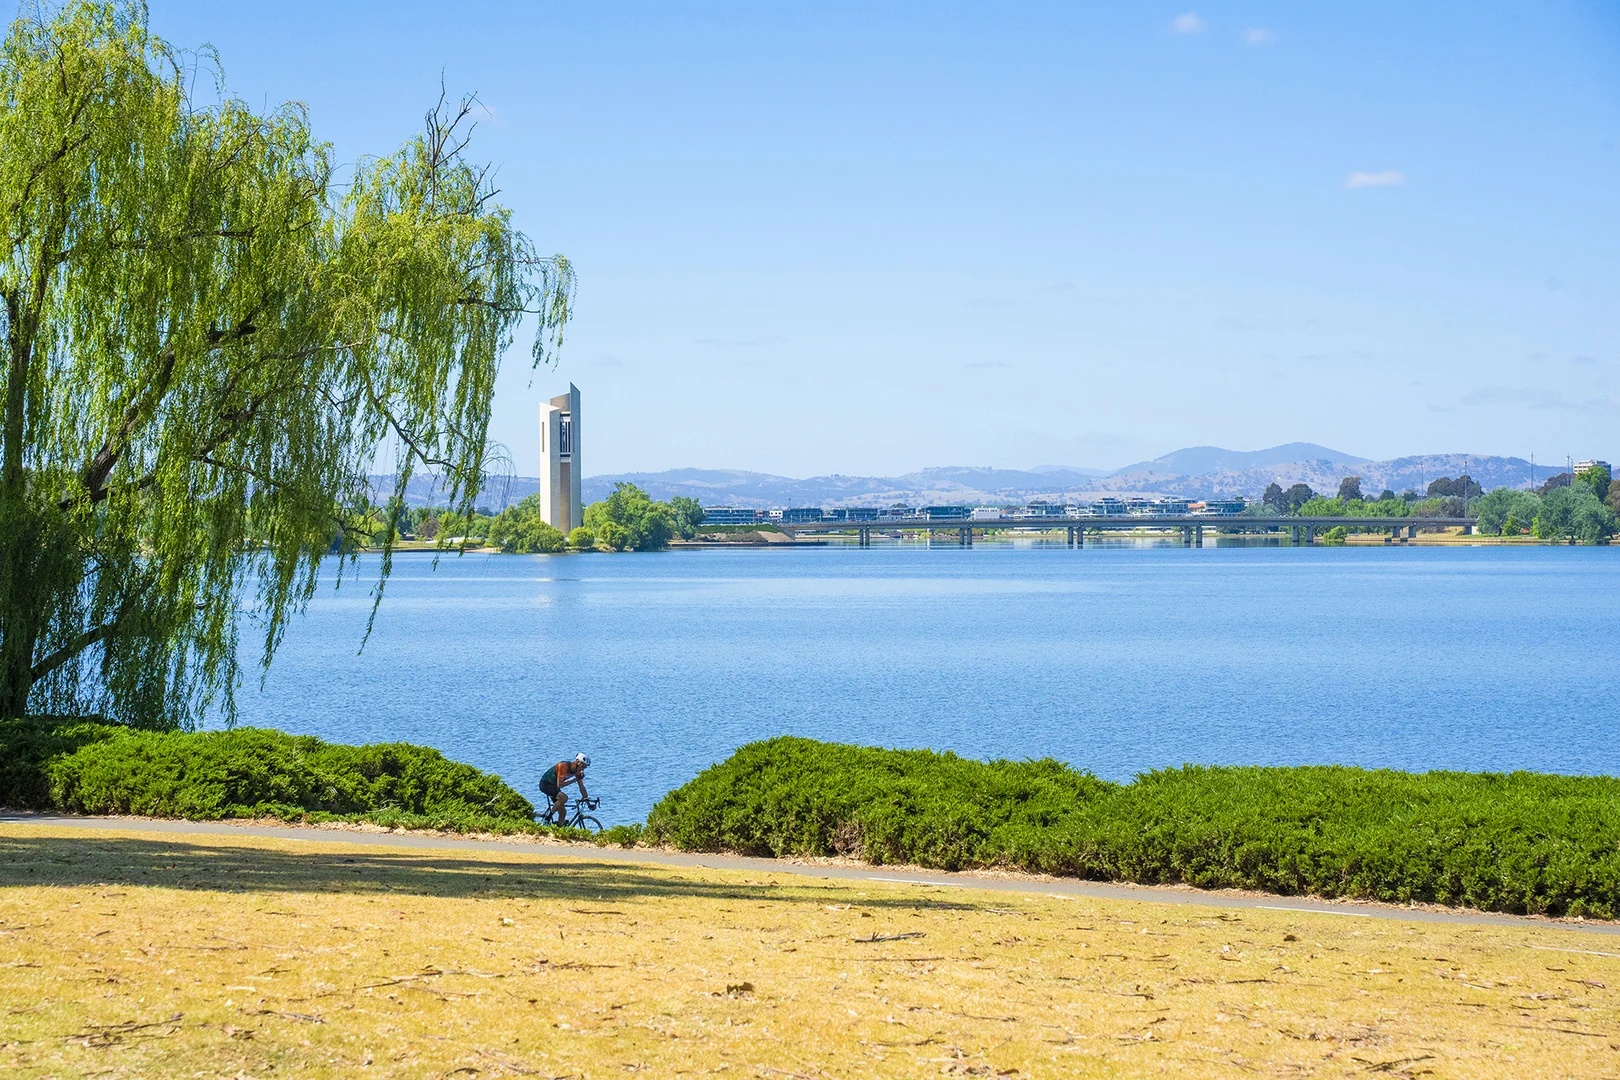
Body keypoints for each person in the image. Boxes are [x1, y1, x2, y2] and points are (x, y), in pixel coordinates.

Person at [539, 754, 590, 825]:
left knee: (563, 812)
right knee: (564, 798)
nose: (583, 769)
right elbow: (560, 784)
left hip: (554, 787)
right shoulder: (563, 766)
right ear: (577, 762)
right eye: (583, 766)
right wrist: (574, 780)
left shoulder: (577, 771)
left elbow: (581, 787)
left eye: (585, 767)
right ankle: (547, 818)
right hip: (545, 784)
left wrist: (588, 803)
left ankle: (559, 831)